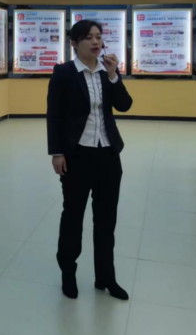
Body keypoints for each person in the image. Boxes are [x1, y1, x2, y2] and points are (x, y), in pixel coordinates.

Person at [47, 19, 133, 301]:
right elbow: (54, 115)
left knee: (106, 220)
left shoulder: (107, 71)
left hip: (108, 153)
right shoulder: (64, 73)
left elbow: (124, 105)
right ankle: (68, 272)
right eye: (88, 38)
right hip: (77, 155)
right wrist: (57, 152)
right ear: (74, 43)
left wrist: (114, 75)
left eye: (98, 36)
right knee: (73, 216)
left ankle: (106, 277)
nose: (96, 42)